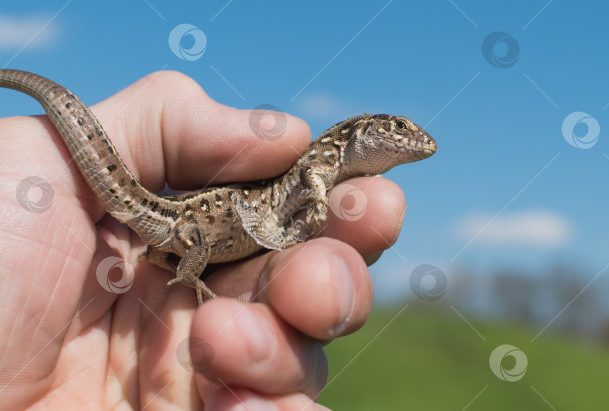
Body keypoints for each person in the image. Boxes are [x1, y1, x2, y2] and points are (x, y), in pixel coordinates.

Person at [0, 71, 405, 409]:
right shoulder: (320, 159)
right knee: (201, 256)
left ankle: (172, 264)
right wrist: (192, 276)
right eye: (402, 129)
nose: (411, 139)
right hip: (183, 221)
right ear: (367, 131)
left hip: (183, 230)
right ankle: (184, 272)